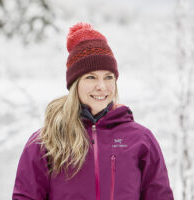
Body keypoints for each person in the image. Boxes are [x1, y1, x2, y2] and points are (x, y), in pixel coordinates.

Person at [12, 22, 174, 200]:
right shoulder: (46, 141)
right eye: (91, 77)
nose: (101, 86)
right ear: (75, 84)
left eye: (108, 77)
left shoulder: (141, 139)